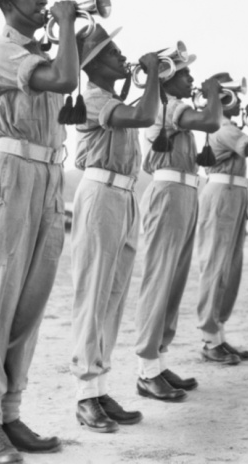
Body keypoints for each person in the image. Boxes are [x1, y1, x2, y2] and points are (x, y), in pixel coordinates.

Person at [0, 0, 77, 463]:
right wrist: (68, 25)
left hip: (49, 176)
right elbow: (63, 80)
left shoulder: (40, 50)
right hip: (11, 175)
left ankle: (12, 412)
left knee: (31, 298)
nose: (43, 0)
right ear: (9, 2)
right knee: (0, 294)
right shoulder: (0, 50)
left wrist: (65, 29)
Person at [68, 26, 162, 433]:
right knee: (93, 296)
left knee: (112, 298)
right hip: (101, 195)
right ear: (92, 64)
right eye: (113, 54)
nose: (122, 58)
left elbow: (139, 112)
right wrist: (154, 73)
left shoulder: (113, 99)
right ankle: (84, 396)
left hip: (122, 198)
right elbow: (145, 115)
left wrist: (142, 78)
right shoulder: (92, 99)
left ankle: (100, 387)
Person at [133, 43, 224, 402]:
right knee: (159, 280)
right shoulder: (167, 106)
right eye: (185, 73)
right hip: (169, 192)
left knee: (173, 282)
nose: (192, 79)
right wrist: (214, 93)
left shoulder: (173, 107)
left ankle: (157, 362)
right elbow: (212, 121)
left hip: (184, 192)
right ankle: (145, 369)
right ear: (169, 79)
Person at [195, 73, 248, 366]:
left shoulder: (226, 127)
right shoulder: (223, 128)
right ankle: (208, 340)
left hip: (234, 194)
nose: (240, 101)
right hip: (222, 195)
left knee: (229, 270)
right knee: (216, 267)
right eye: (234, 96)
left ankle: (218, 336)